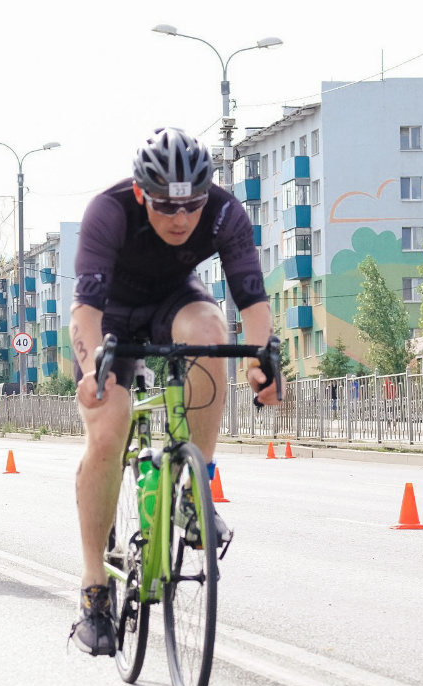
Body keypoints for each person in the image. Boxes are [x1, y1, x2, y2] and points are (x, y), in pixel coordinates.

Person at [66, 127, 280, 656]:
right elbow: (85, 314)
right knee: (108, 432)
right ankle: (95, 588)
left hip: (173, 307)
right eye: (165, 206)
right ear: (142, 194)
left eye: (192, 206)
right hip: (111, 323)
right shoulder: (108, 212)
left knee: (211, 330)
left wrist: (261, 360)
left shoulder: (227, 213)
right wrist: (94, 370)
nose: (181, 219)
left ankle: (193, 488)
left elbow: (251, 301)